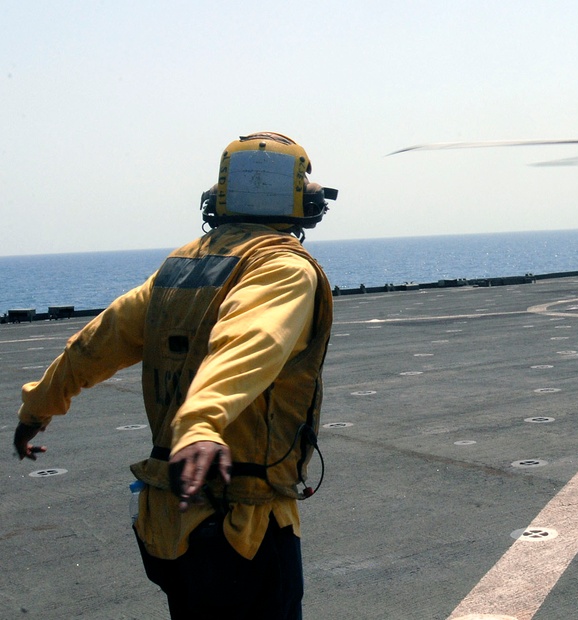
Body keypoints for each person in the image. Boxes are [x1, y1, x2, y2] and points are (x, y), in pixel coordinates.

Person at [13, 132, 337, 619]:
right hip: (240, 524)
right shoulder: (282, 268)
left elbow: (97, 342)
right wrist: (202, 424)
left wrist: (37, 407)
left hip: (168, 522)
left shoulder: (182, 267)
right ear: (303, 203)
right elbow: (251, 342)